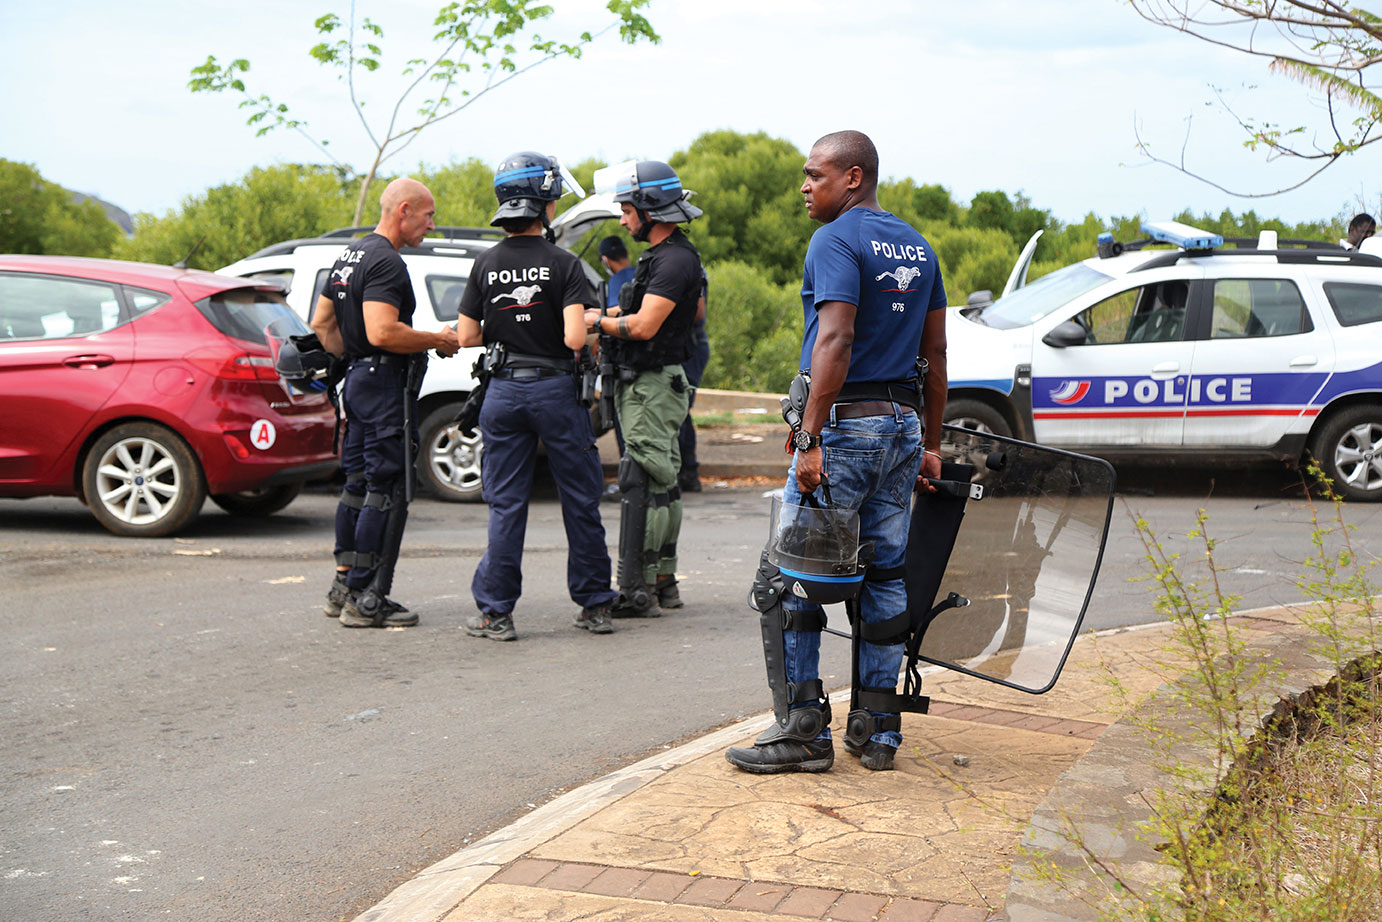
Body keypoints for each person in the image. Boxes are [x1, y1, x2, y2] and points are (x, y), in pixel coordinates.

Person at [725, 130, 948, 774]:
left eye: (814, 174)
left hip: (846, 430)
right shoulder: (916, 245)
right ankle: (877, 732)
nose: (804, 186)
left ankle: (801, 733)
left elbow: (836, 337)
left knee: (790, 580)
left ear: (852, 178)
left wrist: (812, 436)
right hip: (903, 428)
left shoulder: (836, 239)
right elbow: (935, 355)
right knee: (883, 576)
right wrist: (931, 444)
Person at [458, 151, 619, 641]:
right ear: (544, 205)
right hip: (554, 392)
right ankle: (594, 605)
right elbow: (575, 340)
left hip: (503, 394)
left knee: (506, 504)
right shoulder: (564, 264)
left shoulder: (485, 264)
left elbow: (466, 335)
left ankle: (495, 613)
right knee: (579, 498)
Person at [312, 178, 460, 628]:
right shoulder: (387, 262)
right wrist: (436, 338)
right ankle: (366, 596)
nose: (431, 226)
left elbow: (322, 322)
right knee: (385, 489)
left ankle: (343, 587)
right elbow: (382, 331)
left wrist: (354, 357)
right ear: (404, 210)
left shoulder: (349, 254)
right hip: (382, 387)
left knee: (356, 485)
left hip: (358, 382)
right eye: (428, 216)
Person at [583, 160, 704, 618]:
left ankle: (639, 587)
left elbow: (644, 325)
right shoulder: (667, 256)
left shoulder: (673, 259)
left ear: (650, 210)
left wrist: (596, 322)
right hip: (655, 383)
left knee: (646, 480)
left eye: (627, 209)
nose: (622, 219)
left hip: (651, 385)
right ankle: (661, 581)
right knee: (660, 481)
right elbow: (639, 305)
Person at [676, 269, 710, 493]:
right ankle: (686, 471)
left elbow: (698, 312)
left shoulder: (691, 266)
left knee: (679, 411)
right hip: (684, 349)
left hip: (691, 349)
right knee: (680, 412)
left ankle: (687, 471)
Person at [599, 236, 636, 308]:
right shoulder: (643, 271)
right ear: (627, 252)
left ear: (605, 260)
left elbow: (617, 310)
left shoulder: (616, 280)